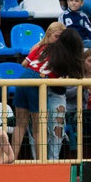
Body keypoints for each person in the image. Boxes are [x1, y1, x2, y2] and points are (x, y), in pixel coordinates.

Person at [17, 27, 84, 160]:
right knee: (37, 129)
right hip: (37, 88)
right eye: (55, 36)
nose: (57, 40)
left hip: (53, 92)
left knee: (55, 129)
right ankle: (39, 163)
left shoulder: (64, 53)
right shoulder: (43, 48)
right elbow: (26, 64)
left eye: (60, 37)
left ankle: (51, 162)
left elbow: (75, 78)